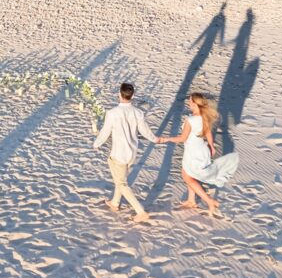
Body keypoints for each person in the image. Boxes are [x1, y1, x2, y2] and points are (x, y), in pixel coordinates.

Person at [157, 92, 239, 218]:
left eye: (190, 101)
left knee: (187, 177)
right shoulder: (203, 117)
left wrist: (166, 139)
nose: (188, 103)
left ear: (195, 104)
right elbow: (208, 133)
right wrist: (211, 146)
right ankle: (191, 200)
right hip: (202, 150)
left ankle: (209, 201)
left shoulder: (190, 120)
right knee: (189, 173)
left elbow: (182, 138)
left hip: (193, 152)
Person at [93, 82, 155, 223]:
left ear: (119, 94)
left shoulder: (112, 113)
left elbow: (105, 131)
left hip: (119, 153)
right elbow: (145, 131)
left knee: (121, 183)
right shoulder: (138, 112)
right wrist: (154, 139)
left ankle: (140, 211)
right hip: (132, 153)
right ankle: (115, 202)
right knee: (120, 179)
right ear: (132, 95)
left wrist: (97, 143)